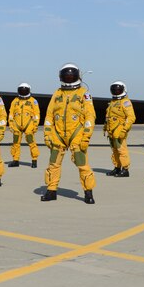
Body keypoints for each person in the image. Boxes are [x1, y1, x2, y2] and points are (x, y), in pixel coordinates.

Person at [41, 63, 96, 204]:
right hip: (58, 134)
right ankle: (51, 190)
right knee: (53, 164)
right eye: (66, 75)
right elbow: (49, 115)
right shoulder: (57, 93)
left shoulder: (84, 93)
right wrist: (47, 134)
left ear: (77, 76)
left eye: (71, 75)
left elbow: (90, 116)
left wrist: (86, 136)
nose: (69, 78)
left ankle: (88, 193)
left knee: (82, 164)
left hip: (76, 135)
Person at [104, 81, 135, 177]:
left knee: (121, 150)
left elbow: (131, 117)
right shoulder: (113, 102)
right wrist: (105, 127)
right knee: (114, 150)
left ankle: (125, 169)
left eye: (118, 90)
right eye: (114, 90)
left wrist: (124, 129)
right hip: (111, 130)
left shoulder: (125, 102)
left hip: (119, 130)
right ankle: (117, 167)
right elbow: (108, 116)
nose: (116, 91)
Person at [7, 83, 40, 168]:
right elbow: (11, 113)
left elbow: (37, 114)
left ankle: (34, 160)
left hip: (29, 125)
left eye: (25, 90)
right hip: (17, 125)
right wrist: (11, 124)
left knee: (31, 142)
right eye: (21, 90)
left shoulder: (33, 101)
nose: (23, 92)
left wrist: (35, 125)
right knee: (15, 143)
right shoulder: (15, 101)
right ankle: (15, 160)